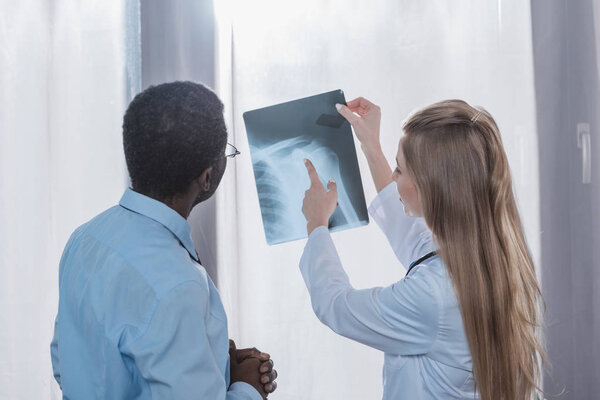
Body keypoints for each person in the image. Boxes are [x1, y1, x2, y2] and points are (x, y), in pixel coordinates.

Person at [300, 97, 546, 400]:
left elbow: (336, 307)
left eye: (399, 170)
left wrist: (316, 225)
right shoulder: (489, 255)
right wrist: (370, 145)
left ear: (432, 187)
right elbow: (407, 231)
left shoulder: (431, 296)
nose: (392, 177)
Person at [50, 81, 277, 399]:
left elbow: (67, 364)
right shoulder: (177, 285)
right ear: (206, 176)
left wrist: (209, 357)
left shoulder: (86, 238)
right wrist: (247, 387)